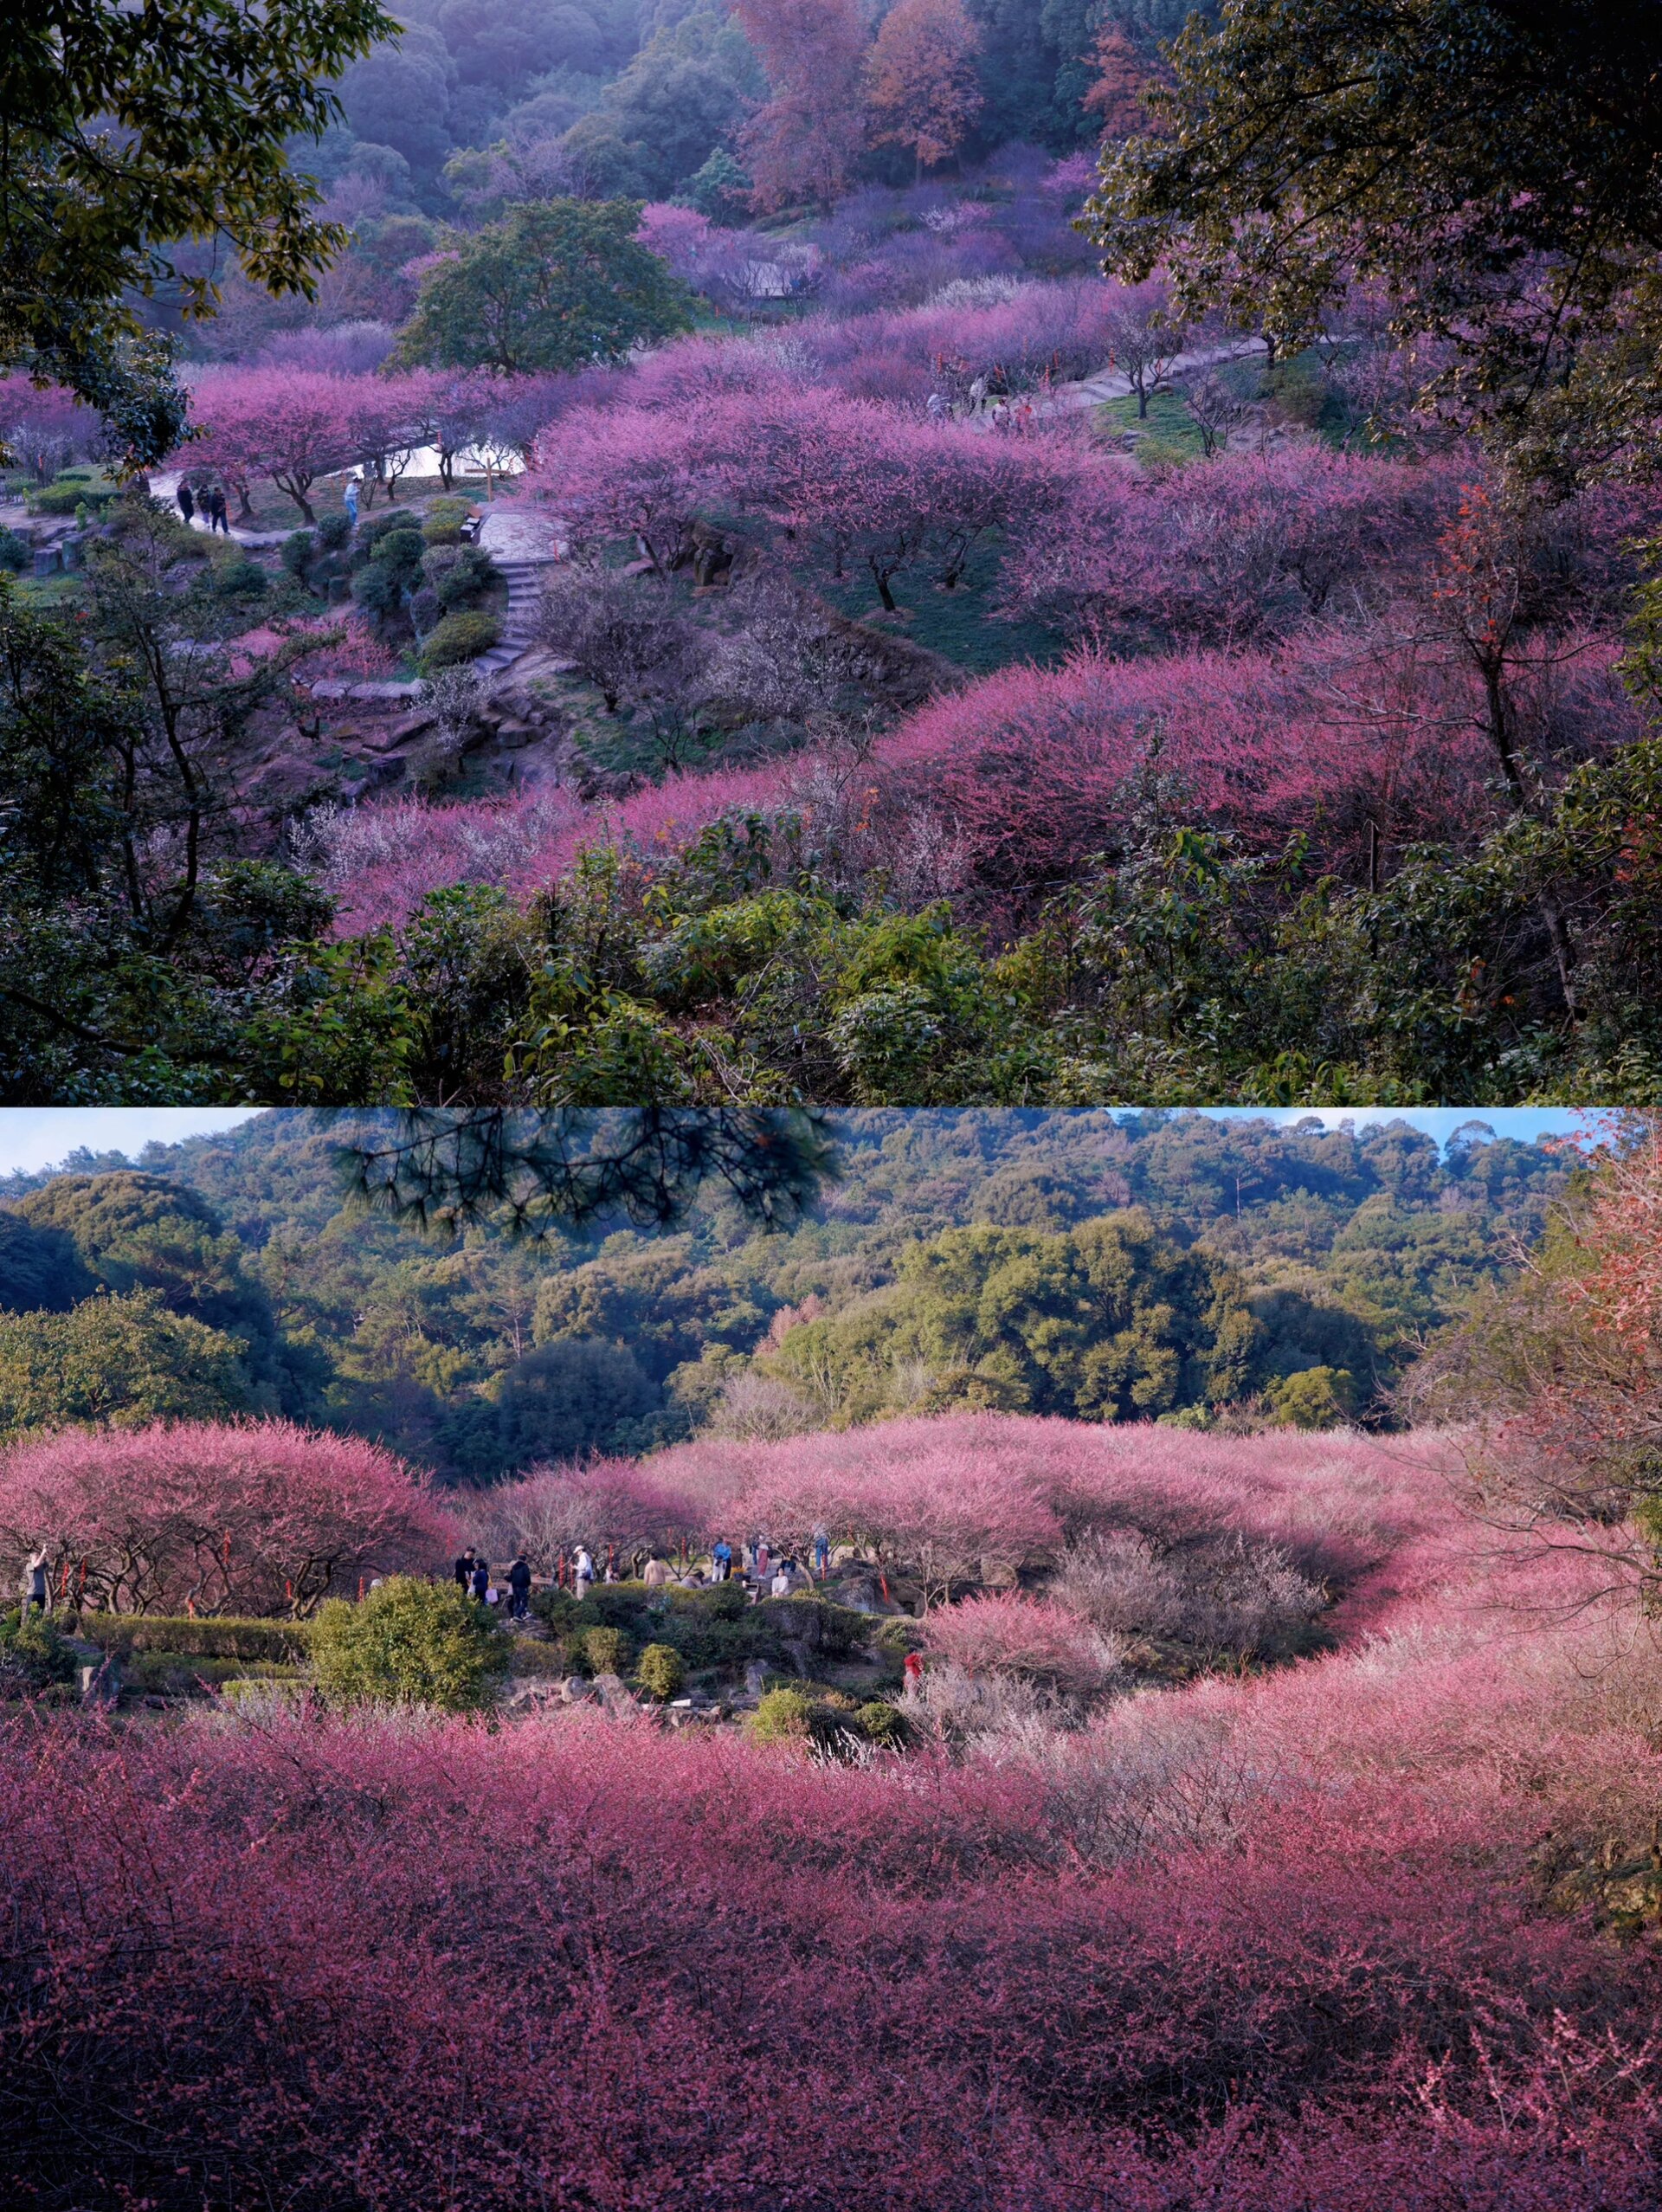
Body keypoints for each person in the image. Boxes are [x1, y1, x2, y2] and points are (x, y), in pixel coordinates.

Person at [23, 1545, 49, 1615]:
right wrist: (43, 1553)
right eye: (36, 1556)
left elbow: (48, 1561)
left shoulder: (42, 1566)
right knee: (31, 1615)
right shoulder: (29, 1565)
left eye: (38, 1555)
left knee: (40, 1614)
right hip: (33, 1593)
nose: (38, 1557)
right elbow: (36, 1564)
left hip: (42, 1593)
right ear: (31, 1557)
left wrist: (46, 1551)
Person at [507, 1552, 531, 1621]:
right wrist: (528, 1584)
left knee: (517, 1601)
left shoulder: (514, 1567)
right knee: (524, 1602)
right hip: (522, 1586)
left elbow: (511, 1577)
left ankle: (516, 1616)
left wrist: (506, 1577)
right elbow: (527, 1576)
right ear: (525, 1560)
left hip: (514, 1586)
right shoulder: (525, 1566)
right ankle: (518, 1614)